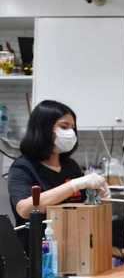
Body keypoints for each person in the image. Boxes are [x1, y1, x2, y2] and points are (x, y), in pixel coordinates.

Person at [8, 100, 108, 250]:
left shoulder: (70, 167)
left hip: (73, 250)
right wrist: (74, 185)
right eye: (64, 127)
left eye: (72, 128)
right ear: (44, 128)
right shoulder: (23, 167)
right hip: (36, 254)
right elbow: (25, 209)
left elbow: (81, 206)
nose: (70, 133)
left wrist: (96, 194)